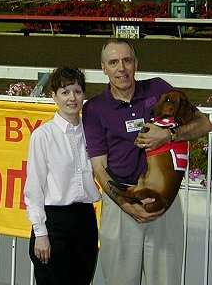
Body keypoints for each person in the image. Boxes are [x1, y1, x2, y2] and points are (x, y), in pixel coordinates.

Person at [82, 38, 212, 285]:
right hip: (122, 204)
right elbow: (99, 167)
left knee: (165, 280)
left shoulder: (158, 90)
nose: (121, 68)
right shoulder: (95, 109)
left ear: (136, 64)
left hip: (165, 204)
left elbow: (204, 124)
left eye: (127, 60)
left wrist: (169, 134)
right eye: (113, 62)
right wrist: (126, 205)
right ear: (104, 68)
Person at [24, 67, 101, 285]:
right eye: (65, 92)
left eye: (77, 91)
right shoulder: (42, 136)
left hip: (85, 221)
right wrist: (40, 233)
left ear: (83, 94)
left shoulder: (92, 132)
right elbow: (34, 189)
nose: (72, 98)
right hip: (53, 224)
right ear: (54, 96)